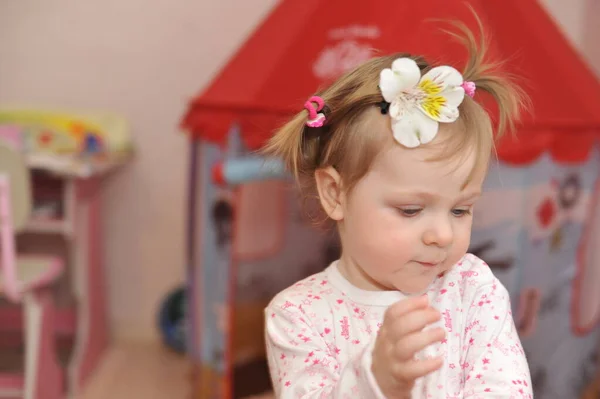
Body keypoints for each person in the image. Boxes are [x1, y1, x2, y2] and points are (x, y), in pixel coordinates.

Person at [261, 14, 532, 399]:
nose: (442, 234)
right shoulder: (298, 316)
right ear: (335, 194)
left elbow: (505, 389)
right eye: (410, 210)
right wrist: (378, 381)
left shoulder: (472, 289)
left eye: (460, 210)